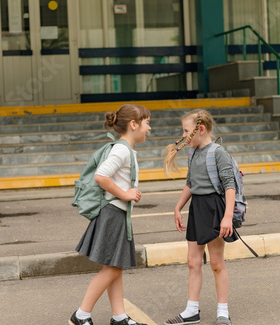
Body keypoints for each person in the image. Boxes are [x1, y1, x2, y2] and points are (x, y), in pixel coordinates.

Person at [69, 104, 151, 325]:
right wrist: (125, 193)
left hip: (116, 214)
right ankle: (81, 315)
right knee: (112, 268)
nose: (149, 128)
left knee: (114, 267)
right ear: (133, 124)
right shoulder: (122, 150)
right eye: (147, 123)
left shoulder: (125, 149)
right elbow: (101, 176)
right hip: (113, 213)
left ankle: (119, 317)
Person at [163, 109, 238, 325]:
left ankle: (223, 311)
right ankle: (191, 310)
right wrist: (178, 207)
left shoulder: (218, 152)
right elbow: (190, 182)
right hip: (197, 208)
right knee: (193, 261)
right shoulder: (193, 152)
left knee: (216, 262)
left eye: (186, 131)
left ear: (201, 129)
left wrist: (227, 217)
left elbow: (230, 186)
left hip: (214, 209)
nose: (184, 135)